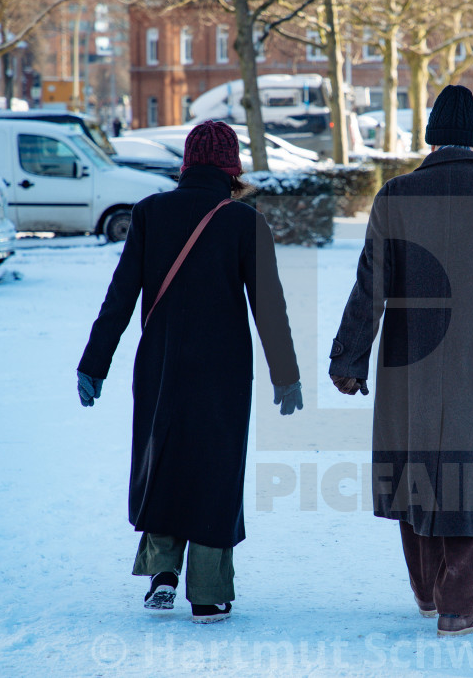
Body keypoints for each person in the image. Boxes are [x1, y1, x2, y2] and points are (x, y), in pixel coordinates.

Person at [329, 85, 473, 638]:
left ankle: (426, 590)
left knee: (415, 468)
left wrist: (350, 358)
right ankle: (457, 605)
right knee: (472, 471)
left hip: (409, 366)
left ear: (433, 137)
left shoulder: (396, 197)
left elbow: (370, 285)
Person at [77, 120, 302, 624]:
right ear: (231, 167)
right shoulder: (244, 221)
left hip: (159, 365)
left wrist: (94, 364)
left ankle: (161, 573)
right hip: (222, 371)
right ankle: (208, 591)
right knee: (215, 472)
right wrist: (285, 374)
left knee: (164, 460)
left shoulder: (150, 213)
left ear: (186, 163)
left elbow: (119, 297)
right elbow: (270, 306)